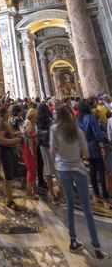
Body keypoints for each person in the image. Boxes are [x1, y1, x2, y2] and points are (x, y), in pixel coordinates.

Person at [50, 106, 108, 260]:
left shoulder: (54, 129)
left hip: (62, 169)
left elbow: (52, 150)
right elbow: (86, 154)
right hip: (78, 169)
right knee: (86, 207)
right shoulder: (78, 132)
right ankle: (96, 247)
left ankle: (73, 241)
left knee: (69, 204)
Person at [76, 99, 110, 208]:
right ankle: (105, 197)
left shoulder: (78, 120)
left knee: (92, 170)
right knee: (102, 171)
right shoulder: (91, 118)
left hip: (86, 147)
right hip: (95, 145)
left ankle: (96, 194)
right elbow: (97, 134)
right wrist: (102, 147)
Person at [0, 106, 22, 210]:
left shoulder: (6, 123)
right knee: (8, 176)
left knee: (10, 176)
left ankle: (9, 196)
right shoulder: (1, 123)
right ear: (4, 114)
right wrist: (15, 140)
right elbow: (1, 140)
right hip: (5, 151)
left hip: (9, 151)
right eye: (8, 112)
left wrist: (16, 133)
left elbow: (8, 135)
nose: (9, 113)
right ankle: (10, 201)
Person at [36, 103, 62, 204]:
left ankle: (51, 194)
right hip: (52, 146)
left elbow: (38, 134)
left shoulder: (37, 122)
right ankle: (62, 194)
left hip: (43, 147)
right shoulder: (52, 122)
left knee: (47, 169)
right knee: (57, 169)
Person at [20, 108, 38, 199]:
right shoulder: (28, 123)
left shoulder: (27, 122)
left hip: (28, 147)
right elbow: (25, 135)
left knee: (32, 168)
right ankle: (28, 191)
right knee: (31, 169)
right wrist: (34, 135)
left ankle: (33, 187)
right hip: (28, 148)